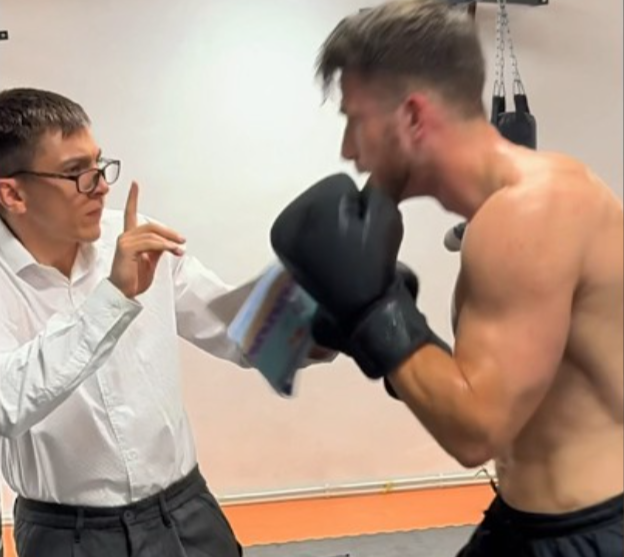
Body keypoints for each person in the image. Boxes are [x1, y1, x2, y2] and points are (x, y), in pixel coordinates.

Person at [269, 1, 624, 556]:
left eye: (355, 120)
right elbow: (483, 392)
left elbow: (476, 430)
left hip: (589, 533)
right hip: (524, 519)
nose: (348, 150)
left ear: (412, 116)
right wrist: (374, 329)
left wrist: (376, 313)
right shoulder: (501, 214)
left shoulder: (531, 211)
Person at [0, 87, 326, 557]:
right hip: (69, 536)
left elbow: (238, 331)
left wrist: (334, 317)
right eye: (77, 173)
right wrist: (113, 299)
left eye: (99, 164)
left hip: (185, 511)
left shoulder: (132, 237)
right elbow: (7, 403)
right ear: (13, 193)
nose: (102, 185)